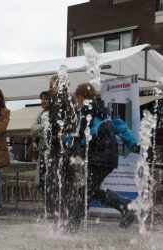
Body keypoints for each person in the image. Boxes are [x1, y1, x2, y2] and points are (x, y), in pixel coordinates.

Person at [67, 83, 138, 233]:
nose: (76, 103)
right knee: (91, 189)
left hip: (99, 157)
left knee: (86, 190)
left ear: (79, 97)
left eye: (76, 100)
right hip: (108, 158)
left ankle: (72, 226)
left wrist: (65, 139)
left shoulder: (86, 112)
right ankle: (125, 207)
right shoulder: (104, 110)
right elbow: (121, 126)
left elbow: (83, 135)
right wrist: (133, 144)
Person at [45, 75, 78, 218]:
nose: (49, 88)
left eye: (51, 85)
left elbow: (73, 120)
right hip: (57, 145)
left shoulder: (67, 98)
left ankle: (65, 211)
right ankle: (59, 210)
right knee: (56, 177)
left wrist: (64, 132)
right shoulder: (56, 100)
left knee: (63, 178)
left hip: (64, 146)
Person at [30, 90, 51, 199]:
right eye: (42, 99)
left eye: (46, 99)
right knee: (42, 179)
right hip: (42, 151)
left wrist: (41, 128)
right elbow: (32, 129)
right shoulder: (41, 114)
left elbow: (50, 130)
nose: (43, 101)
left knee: (50, 179)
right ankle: (47, 206)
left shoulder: (54, 112)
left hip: (52, 151)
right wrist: (42, 126)